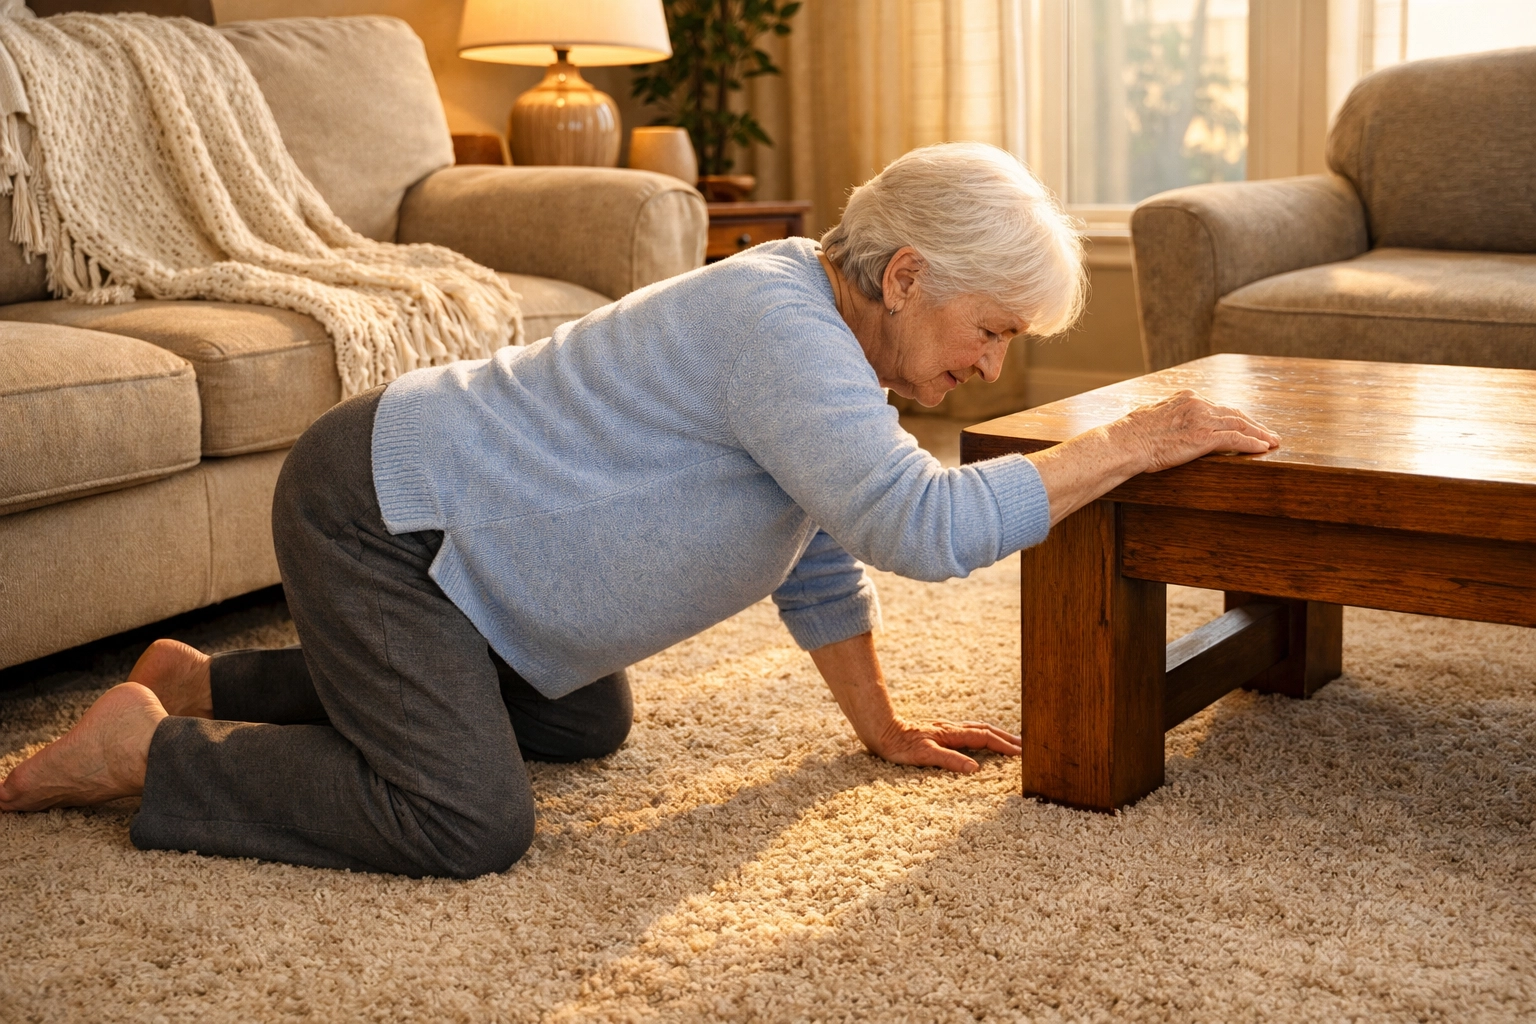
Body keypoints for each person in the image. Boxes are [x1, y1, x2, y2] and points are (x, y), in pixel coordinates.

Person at [0, 143, 1278, 876]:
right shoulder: (781, 328)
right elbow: (925, 528)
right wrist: (1130, 441)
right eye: (990, 331)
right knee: (467, 819)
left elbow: (824, 547)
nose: (991, 365)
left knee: (578, 717)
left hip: (463, 559)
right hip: (386, 514)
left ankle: (208, 678)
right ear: (902, 275)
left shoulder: (830, 349)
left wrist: (882, 725)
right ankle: (148, 751)